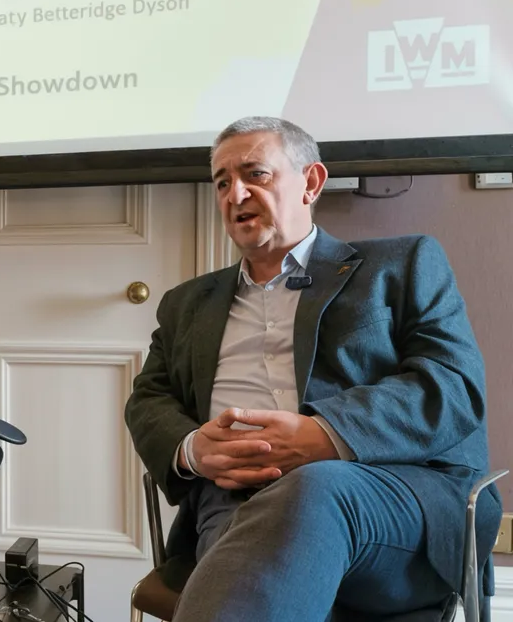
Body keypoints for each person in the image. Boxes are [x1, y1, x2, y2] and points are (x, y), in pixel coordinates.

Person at [124, 115, 501, 620]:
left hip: (389, 499)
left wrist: (325, 434)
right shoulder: (186, 303)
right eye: (221, 182)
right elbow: (149, 398)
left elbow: (452, 387)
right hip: (234, 500)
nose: (235, 194)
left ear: (311, 182)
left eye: (255, 174)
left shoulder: (401, 264)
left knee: (312, 491)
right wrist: (193, 450)